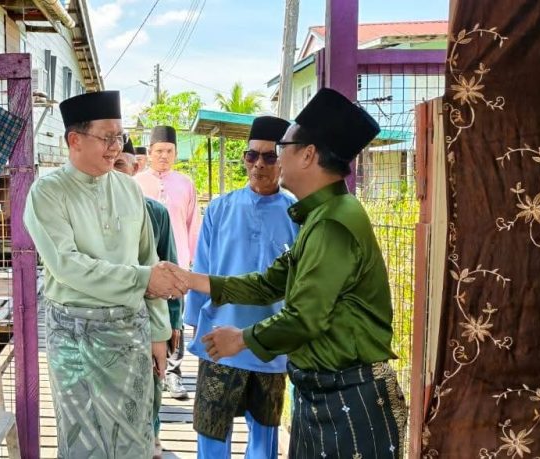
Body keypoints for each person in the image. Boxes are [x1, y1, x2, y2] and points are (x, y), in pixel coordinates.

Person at [171, 88, 408, 458]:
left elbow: (304, 318)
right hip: (325, 389)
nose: (272, 159)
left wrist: (241, 339)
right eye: (254, 154)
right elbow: (269, 283)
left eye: (281, 147)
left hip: (347, 394)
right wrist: (191, 280)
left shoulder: (332, 224)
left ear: (308, 154)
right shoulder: (317, 215)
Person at [23, 90, 185, 458]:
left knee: (134, 433)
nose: (116, 147)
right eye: (107, 137)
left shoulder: (129, 188)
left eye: (120, 136)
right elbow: (67, 265)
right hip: (75, 335)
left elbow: (148, 258)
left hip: (130, 331)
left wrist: (159, 332)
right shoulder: (47, 192)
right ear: (75, 140)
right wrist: (142, 279)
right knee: (82, 438)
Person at [184, 116, 298, 459]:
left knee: (264, 432)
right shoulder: (220, 208)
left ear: (283, 161)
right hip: (218, 338)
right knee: (211, 427)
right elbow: (202, 268)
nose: (259, 164)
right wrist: (194, 322)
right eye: (252, 155)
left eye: (269, 156)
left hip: (268, 342)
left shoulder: (297, 214)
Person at [115, 139, 183, 458]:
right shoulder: (90, 210)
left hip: (150, 315)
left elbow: (169, 267)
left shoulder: (155, 212)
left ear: (135, 167)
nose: (113, 170)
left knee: (152, 380)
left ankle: (152, 436)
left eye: (120, 164)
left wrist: (173, 321)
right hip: (109, 316)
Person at [135, 125, 200, 400]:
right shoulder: (136, 182)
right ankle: (148, 370)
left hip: (178, 260)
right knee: (148, 313)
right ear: (150, 152)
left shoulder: (185, 184)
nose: (164, 156)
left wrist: (193, 261)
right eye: (159, 150)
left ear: (175, 153)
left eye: (169, 151)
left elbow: (193, 223)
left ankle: (173, 373)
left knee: (176, 318)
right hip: (146, 263)